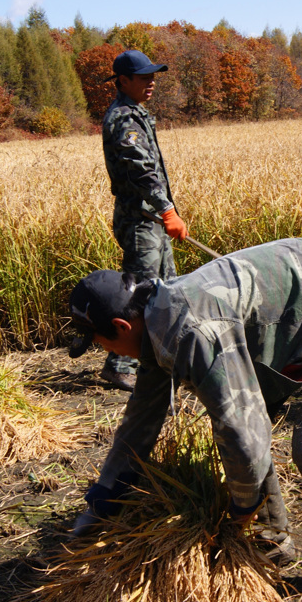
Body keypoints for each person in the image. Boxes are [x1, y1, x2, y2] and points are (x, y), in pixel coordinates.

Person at [66, 238, 302, 597]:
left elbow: (242, 429)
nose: (103, 351)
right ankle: (271, 540)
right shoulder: (152, 322)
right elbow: (140, 420)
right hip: (292, 311)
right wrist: (104, 496)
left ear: (121, 326)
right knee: (243, 433)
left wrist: (240, 509)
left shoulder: (190, 330)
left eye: (99, 342)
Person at [98, 49, 190, 392]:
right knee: (141, 292)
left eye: (153, 76)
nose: (151, 83)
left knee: (168, 289)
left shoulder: (136, 113)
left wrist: (165, 212)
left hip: (150, 218)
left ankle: (170, 358)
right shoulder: (123, 118)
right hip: (140, 220)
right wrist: (167, 211)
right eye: (144, 77)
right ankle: (119, 364)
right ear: (124, 81)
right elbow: (141, 168)